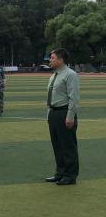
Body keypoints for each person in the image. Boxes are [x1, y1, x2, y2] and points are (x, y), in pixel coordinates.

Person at [45, 48, 80, 186]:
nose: (50, 60)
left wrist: (70, 116)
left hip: (64, 112)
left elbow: (73, 97)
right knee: (57, 145)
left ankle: (70, 175)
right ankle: (60, 172)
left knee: (68, 146)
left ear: (61, 59)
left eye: (52, 58)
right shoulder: (54, 75)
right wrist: (49, 114)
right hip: (54, 113)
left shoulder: (70, 74)